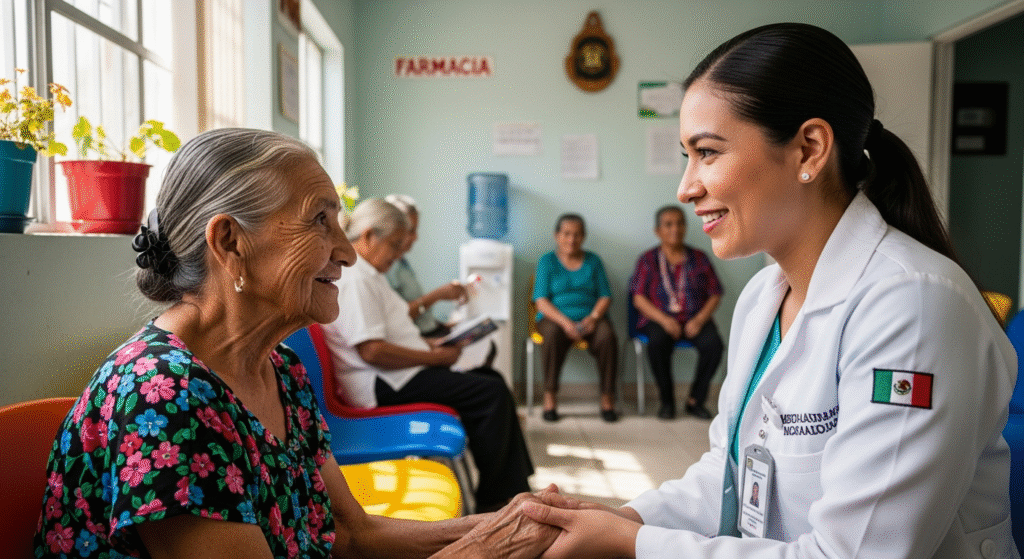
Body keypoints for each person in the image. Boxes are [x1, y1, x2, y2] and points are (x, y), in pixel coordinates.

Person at [521, 23, 1019, 558]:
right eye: (687, 157)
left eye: (707, 153)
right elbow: (728, 474)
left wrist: (633, 543)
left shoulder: (913, 305)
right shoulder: (763, 297)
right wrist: (623, 517)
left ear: (808, 149)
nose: (686, 187)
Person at [33, 128, 558, 559]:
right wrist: (488, 550)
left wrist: (511, 523)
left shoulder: (278, 368)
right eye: (319, 221)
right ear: (230, 243)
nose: (349, 253)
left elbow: (351, 535)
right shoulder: (162, 397)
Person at [320, 197, 533, 513]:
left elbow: (388, 335)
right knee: (490, 393)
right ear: (367, 237)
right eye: (394, 245)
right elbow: (372, 350)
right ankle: (496, 498)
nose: (397, 254)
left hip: (399, 375)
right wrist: (434, 358)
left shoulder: (369, 275)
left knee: (490, 380)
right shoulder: (356, 279)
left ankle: (511, 488)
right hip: (382, 385)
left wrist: (434, 347)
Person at [630, 205, 724, 420]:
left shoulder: (699, 258)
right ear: (658, 231)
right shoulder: (648, 260)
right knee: (657, 343)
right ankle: (667, 401)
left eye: (680, 223)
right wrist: (664, 320)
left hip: (694, 318)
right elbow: (638, 298)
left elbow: (715, 292)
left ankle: (695, 400)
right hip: (659, 319)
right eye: (668, 224)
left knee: (714, 345)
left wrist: (700, 320)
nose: (675, 229)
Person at [532, 213, 619, 423]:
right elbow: (541, 300)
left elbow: (605, 295)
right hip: (555, 319)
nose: (572, 240)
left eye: (577, 235)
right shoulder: (547, 261)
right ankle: (550, 397)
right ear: (557, 236)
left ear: (584, 237)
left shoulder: (593, 261)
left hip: (591, 318)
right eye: (567, 234)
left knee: (607, 337)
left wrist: (594, 317)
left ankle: (607, 398)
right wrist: (565, 322)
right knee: (551, 335)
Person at [384, 193, 467, 339]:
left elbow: (417, 316)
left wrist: (442, 326)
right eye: (410, 231)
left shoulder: (402, 262)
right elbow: (396, 318)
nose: (416, 237)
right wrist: (438, 295)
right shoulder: (386, 266)